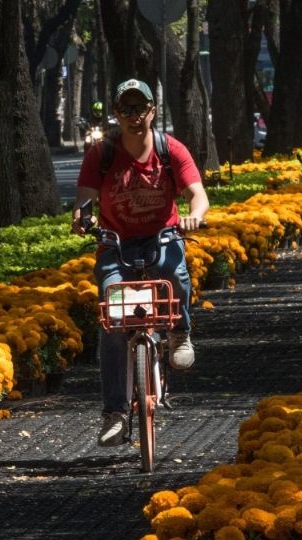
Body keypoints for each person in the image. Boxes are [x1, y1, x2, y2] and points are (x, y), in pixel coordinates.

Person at [71, 78, 210, 447]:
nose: (135, 116)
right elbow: (84, 200)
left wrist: (194, 215)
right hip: (116, 245)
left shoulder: (170, 149)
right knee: (113, 318)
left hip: (161, 237)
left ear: (153, 110)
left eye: (141, 108)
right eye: (126, 109)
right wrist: (82, 218)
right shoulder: (100, 154)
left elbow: (199, 196)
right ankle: (115, 412)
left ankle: (180, 331)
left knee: (173, 271)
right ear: (117, 114)